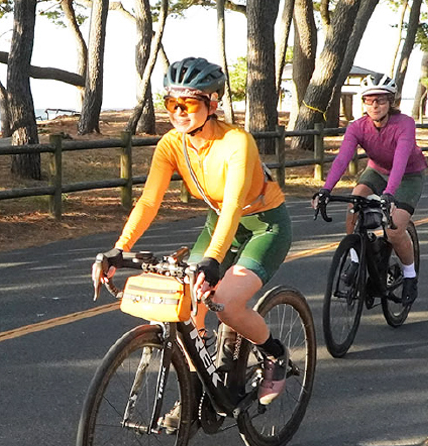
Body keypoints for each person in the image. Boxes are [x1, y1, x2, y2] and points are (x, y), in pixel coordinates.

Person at [94, 57, 293, 406]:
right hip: (218, 223)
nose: (178, 112)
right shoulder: (172, 144)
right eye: (171, 104)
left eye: (187, 104)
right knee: (186, 304)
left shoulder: (236, 142)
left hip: (264, 225)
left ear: (212, 104)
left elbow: (233, 205)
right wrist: (118, 249)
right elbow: (148, 202)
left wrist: (212, 260)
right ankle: (199, 390)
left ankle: (275, 355)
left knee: (227, 305)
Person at [311, 76, 426, 305]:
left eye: (381, 101)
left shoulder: (404, 124)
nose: (375, 106)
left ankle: (410, 276)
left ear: (391, 102)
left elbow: (401, 160)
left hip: (408, 176)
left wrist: (390, 193)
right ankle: (356, 257)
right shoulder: (358, 127)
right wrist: (325, 189)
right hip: (376, 171)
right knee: (355, 202)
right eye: (369, 100)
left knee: (394, 230)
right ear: (363, 103)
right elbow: (343, 158)